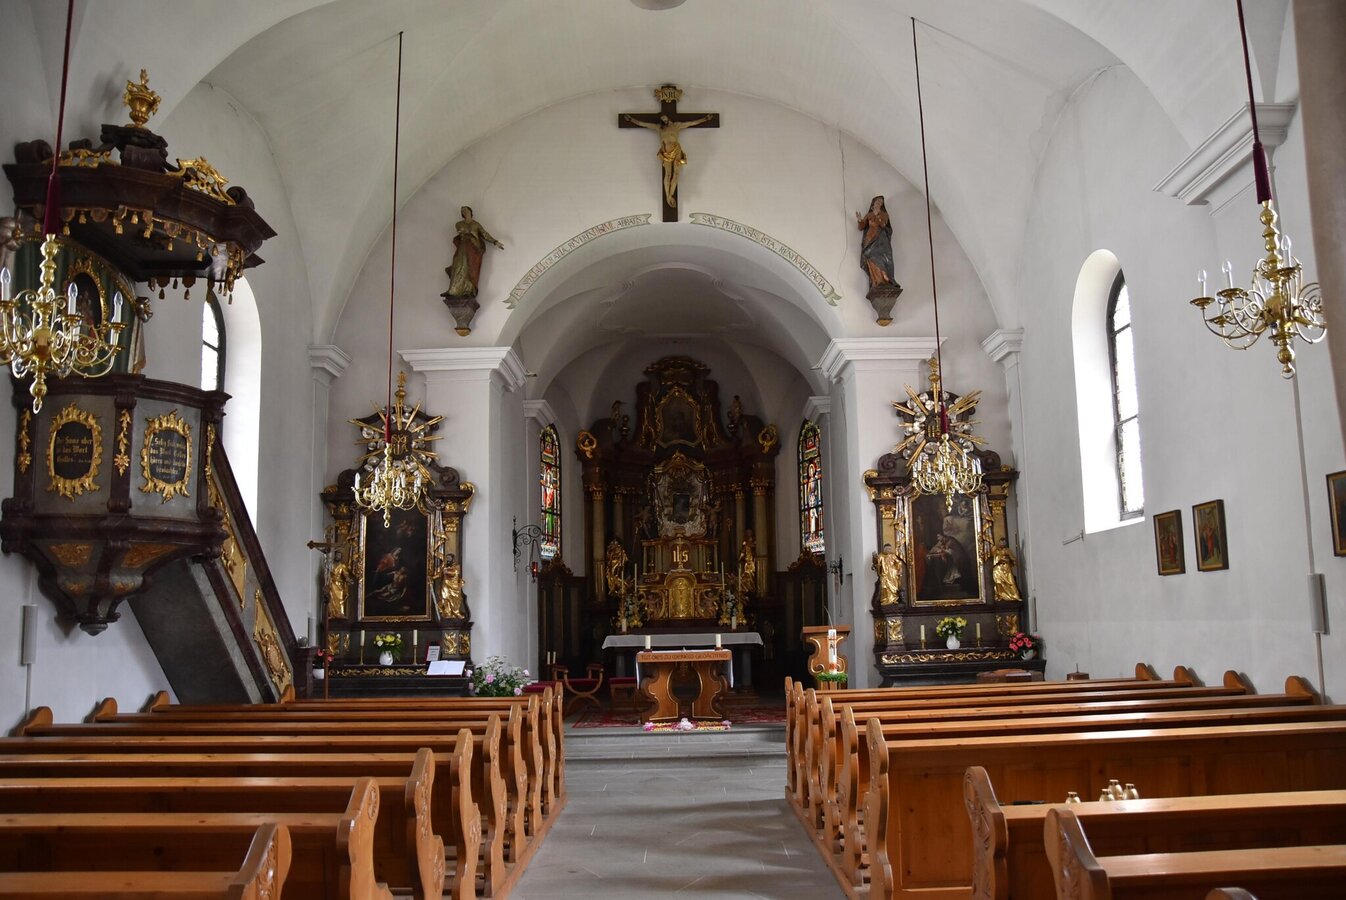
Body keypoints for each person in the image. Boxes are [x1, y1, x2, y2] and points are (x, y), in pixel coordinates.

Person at [622, 112, 716, 208]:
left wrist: (705, 119)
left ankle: (671, 193)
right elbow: (644, 124)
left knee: (676, 174)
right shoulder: (659, 128)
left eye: (664, 117)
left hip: (676, 150)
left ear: (668, 117)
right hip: (666, 153)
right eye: (662, 119)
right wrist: (631, 120)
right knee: (667, 175)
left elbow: (691, 123)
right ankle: (668, 196)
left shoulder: (677, 126)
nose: (664, 120)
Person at [444, 206, 504, 299]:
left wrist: (495, 242)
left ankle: (469, 290)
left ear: (470, 212)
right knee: (457, 265)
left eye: (466, 210)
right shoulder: (459, 224)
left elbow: (484, 234)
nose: (464, 212)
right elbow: (460, 231)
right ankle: (453, 290)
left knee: (471, 268)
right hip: (463, 246)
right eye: (462, 211)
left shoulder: (476, 224)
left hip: (474, 248)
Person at [856, 195, 898, 296]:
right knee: (869, 257)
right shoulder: (869, 214)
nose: (879, 203)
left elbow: (883, 224)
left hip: (881, 239)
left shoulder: (884, 214)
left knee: (882, 257)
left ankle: (885, 279)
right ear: (873, 203)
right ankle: (876, 281)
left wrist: (878, 216)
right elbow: (861, 227)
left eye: (881, 202)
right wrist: (860, 220)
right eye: (877, 202)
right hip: (870, 238)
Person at [871, 541, 903, 606]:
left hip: (893, 575)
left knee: (894, 588)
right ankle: (885, 599)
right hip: (885, 574)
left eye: (889, 549)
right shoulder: (881, 556)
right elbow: (876, 562)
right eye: (887, 549)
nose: (888, 550)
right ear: (884, 549)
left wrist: (899, 569)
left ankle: (894, 599)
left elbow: (898, 563)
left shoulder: (893, 556)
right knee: (884, 587)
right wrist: (874, 557)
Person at [436, 554, 465, 620]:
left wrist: (446, 571)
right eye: (447, 558)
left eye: (449, 558)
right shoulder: (444, 566)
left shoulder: (456, 566)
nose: (448, 560)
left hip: (454, 586)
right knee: (445, 598)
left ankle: (456, 612)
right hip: (445, 586)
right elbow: (439, 574)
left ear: (453, 559)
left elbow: (455, 573)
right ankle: (448, 613)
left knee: (455, 600)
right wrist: (432, 578)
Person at [325, 553, 352, 620]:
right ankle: (332, 613)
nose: (337, 556)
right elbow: (327, 574)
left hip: (339, 586)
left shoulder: (342, 566)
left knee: (340, 600)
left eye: (339, 556)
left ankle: (340, 613)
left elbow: (346, 575)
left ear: (341, 557)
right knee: (331, 599)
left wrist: (348, 579)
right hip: (332, 584)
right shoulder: (331, 565)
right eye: (336, 555)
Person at [738, 530, 758, 595]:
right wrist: (740, 557)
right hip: (747, 562)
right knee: (746, 576)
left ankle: (752, 589)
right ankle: (747, 589)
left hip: (752, 562)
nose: (748, 534)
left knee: (751, 575)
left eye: (749, 533)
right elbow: (742, 553)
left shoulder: (754, 542)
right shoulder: (745, 543)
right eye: (747, 533)